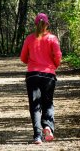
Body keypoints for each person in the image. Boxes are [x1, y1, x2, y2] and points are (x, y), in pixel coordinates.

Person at [20, 13, 62, 144]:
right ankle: (48, 127)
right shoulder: (52, 38)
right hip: (48, 75)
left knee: (35, 106)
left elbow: (23, 58)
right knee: (48, 103)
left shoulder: (29, 39)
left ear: (35, 24)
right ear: (47, 24)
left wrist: (32, 62)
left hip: (32, 75)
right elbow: (58, 56)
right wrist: (53, 66)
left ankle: (37, 136)